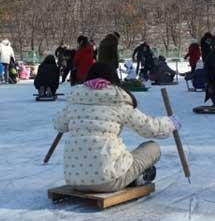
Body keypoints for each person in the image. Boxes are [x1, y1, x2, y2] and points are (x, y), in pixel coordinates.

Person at [53, 62, 179, 193]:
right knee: (153, 148)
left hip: (75, 180)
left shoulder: (76, 102)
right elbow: (150, 128)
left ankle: (128, 177)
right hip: (108, 180)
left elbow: (58, 124)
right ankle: (135, 177)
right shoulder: (118, 101)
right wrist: (170, 123)